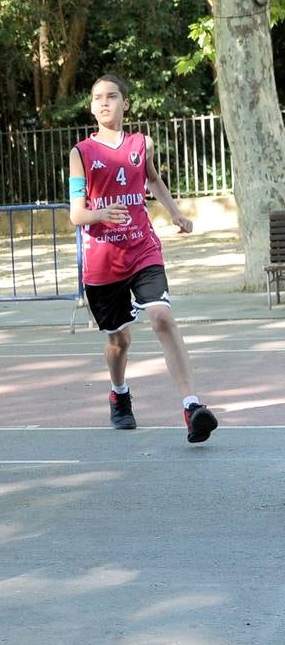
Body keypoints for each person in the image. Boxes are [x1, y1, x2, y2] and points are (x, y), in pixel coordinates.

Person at [69, 73, 218, 443]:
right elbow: (76, 214)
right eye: (98, 97)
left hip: (142, 248)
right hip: (103, 261)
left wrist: (175, 213)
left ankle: (192, 405)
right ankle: (119, 394)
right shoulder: (81, 153)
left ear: (125, 103)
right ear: (91, 106)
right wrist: (100, 214)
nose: (105, 102)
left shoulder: (140, 145)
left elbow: (152, 181)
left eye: (112, 96)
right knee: (119, 341)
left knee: (161, 317)